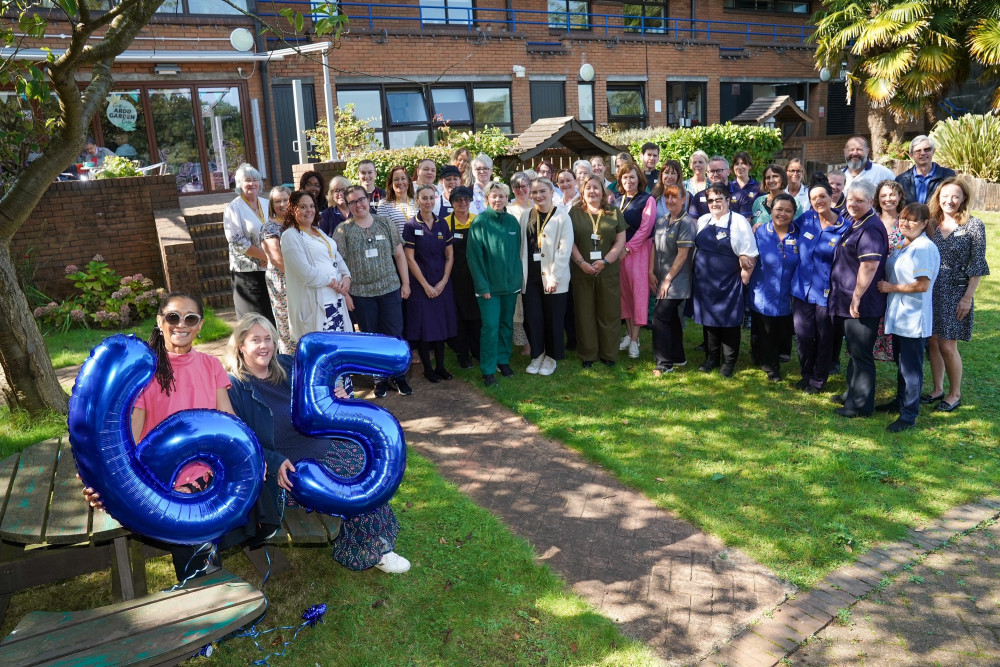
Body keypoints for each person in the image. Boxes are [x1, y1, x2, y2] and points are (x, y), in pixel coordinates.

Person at [84, 292, 278, 582]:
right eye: (173, 317)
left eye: (191, 318)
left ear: (199, 326)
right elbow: (132, 439)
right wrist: (108, 486)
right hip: (167, 483)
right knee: (197, 549)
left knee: (252, 498)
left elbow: (228, 419)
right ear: (160, 321)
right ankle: (204, 589)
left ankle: (211, 573)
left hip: (211, 472)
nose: (181, 324)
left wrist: (253, 456)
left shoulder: (210, 366)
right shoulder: (144, 373)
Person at [225, 313, 409, 573]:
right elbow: (239, 443)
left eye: (268, 338)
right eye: (256, 340)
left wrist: (337, 399)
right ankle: (371, 549)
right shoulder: (234, 388)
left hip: (320, 445)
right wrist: (273, 462)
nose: (264, 346)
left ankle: (375, 538)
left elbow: (321, 399)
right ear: (241, 345)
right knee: (348, 479)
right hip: (288, 467)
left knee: (364, 464)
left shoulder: (288, 366)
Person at [334, 185, 413, 398]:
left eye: (361, 199)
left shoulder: (384, 223)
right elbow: (338, 265)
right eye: (352, 202)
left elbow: (399, 255)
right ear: (347, 205)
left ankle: (398, 376)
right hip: (361, 294)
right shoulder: (343, 230)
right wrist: (347, 295)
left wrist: (405, 284)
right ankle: (379, 379)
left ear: (368, 199)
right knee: (371, 336)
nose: (358, 205)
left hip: (389, 288)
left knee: (394, 334)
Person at [925, 176, 990, 412]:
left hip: (956, 291)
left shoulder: (974, 225)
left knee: (947, 344)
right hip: (930, 289)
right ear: (938, 198)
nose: (949, 200)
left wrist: (967, 297)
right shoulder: (931, 223)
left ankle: (955, 393)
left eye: (955, 196)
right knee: (932, 340)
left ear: (963, 198)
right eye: (945, 196)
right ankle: (937, 389)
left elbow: (978, 265)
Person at [875, 204, 941, 432]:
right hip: (899, 315)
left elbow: (923, 285)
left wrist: (891, 287)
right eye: (903, 219)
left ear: (924, 224)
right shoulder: (905, 244)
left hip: (913, 318)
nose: (905, 223)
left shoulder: (924, 248)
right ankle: (900, 402)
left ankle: (909, 415)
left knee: (911, 369)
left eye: (912, 220)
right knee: (902, 365)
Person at [829, 180, 889, 418]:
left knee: (862, 354)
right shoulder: (857, 222)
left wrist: (856, 298)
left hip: (863, 303)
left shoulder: (871, 228)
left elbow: (869, 266)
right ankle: (850, 394)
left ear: (871, 202)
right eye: (851, 199)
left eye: (859, 201)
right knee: (854, 349)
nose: (852, 204)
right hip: (850, 299)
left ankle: (861, 405)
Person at [692, 183, 758, 377]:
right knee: (709, 321)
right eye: (711, 200)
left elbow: (750, 255)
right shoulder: (703, 220)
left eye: (719, 199)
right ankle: (711, 358)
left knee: (729, 323)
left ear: (728, 200)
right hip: (705, 281)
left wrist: (744, 281)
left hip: (729, 281)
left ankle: (729, 362)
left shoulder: (738, 222)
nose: (714, 204)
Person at [791, 176, 848, 393]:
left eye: (822, 196)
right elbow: (785, 232)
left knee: (825, 337)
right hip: (801, 289)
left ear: (831, 196)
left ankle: (818, 379)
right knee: (803, 335)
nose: (818, 201)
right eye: (813, 198)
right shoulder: (806, 219)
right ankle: (806, 374)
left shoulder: (845, 227)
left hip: (827, 293)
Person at [467, 182, 523, 386]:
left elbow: (518, 254)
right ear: (487, 199)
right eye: (494, 196)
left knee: (506, 325)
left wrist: (517, 281)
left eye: (502, 196)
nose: (498, 200)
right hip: (488, 289)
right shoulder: (480, 222)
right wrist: (483, 287)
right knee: (490, 327)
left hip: (510, 287)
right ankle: (488, 369)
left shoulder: (512, 222)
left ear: (507, 198)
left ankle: (503, 360)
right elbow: (474, 258)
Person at [279, 190, 353, 346]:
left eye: (312, 206)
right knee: (323, 350)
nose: (309, 210)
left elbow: (335, 255)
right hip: (318, 304)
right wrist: (333, 282)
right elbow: (305, 272)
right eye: (303, 206)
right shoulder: (290, 236)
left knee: (339, 347)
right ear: (293, 209)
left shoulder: (317, 231)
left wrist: (346, 276)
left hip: (335, 300)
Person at [569, 175, 627, 367]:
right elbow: (570, 241)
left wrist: (605, 261)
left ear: (602, 191)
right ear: (582, 192)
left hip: (608, 270)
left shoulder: (613, 212)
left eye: (596, 187)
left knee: (609, 312)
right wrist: (580, 262)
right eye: (588, 188)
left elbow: (620, 241)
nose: (592, 191)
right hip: (582, 271)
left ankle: (608, 354)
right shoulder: (574, 213)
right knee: (585, 312)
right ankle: (588, 355)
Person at [403, 184, 457, 383]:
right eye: (424, 198)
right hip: (421, 285)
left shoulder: (443, 223)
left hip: (442, 283)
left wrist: (443, 281)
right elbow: (410, 259)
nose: (428, 202)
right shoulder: (411, 226)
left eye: (431, 198)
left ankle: (441, 366)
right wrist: (425, 285)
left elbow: (450, 255)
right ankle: (428, 369)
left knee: (441, 326)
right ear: (417, 200)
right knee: (425, 328)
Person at [521, 177, 573, 376]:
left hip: (553, 278)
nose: (538, 196)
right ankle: (537, 355)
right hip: (531, 277)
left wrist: (554, 277)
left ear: (552, 192)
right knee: (533, 317)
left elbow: (564, 250)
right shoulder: (526, 215)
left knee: (553, 318)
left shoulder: (562, 217)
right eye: (534, 192)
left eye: (542, 191)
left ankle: (552, 357)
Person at [749, 194, 800, 381]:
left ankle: (771, 356)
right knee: (765, 329)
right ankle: (771, 367)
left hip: (789, 292)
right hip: (764, 290)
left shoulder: (799, 233)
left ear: (794, 213)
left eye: (788, 210)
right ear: (771, 210)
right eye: (779, 209)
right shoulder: (759, 232)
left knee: (783, 330)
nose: (783, 214)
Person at [648, 184, 695, 375]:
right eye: (667, 197)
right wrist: (650, 272)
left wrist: (667, 280)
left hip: (676, 279)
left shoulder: (687, 222)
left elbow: (682, 255)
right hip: (660, 277)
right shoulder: (661, 220)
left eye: (675, 197)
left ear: (684, 200)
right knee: (672, 318)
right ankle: (678, 356)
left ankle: (664, 363)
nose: (670, 201)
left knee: (659, 317)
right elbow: (653, 247)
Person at [223, 163, 275, 324]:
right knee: (253, 320)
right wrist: (267, 256)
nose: (252, 184)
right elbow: (237, 241)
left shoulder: (267, 203)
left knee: (272, 317)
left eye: (255, 180)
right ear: (239, 183)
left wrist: (274, 258)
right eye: (247, 180)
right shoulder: (233, 208)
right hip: (247, 274)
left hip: (271, 271)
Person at [616, 161, 656, 359]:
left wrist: (628, 248)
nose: (628, 180)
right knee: (626, 296)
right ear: (620, 180)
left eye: (632, 177)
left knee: (638, 296)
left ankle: (634, 342)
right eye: (625, 177)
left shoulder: (647, 200)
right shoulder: (618, 200)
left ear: (639, 178)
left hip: (638, 253)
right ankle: (631, 335)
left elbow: (646, 229)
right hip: (620, 255)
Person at [871, 179, 908, 362]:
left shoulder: (906, 221)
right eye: (883, 195)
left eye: (892, 194)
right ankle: (875, 347)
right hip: (873, 277)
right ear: (878, 198)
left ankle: (892, 348)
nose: (888, 199)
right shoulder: (871, 220)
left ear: (900, 196)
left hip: (897, 280)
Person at [444, 186, 480, 369]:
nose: (463, 203)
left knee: (476, 316)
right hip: (454, 277)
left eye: (466, 199)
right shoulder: (444, 223)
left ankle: (478, 350)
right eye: (458, 200)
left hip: (475, 276)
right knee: (458, 316)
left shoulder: (478, 220)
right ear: (452, 203)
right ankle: (462, 353)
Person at [261, 185, 294, 354]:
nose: (282, 204)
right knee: (288, 331)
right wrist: (299, 279)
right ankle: (289, 372)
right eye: (277, 201)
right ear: (272, 206)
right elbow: (276, 259)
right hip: (283, 284)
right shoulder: (269, 228)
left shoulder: (298, 223)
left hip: (303, 283)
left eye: (285, 200)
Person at [506, 171, 534, 355]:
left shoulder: (538, 207)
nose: (521, 190)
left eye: (524, 186)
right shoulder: (508, 210)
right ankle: (524, 343)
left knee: (533, 303)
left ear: (530, 187)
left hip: (535, 261)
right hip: (515, 262)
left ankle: (538, 339)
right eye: (517, 187)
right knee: (518, 305)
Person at [895, 135, 955, 205]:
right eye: (918, 151)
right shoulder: (901, 180)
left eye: (927, 149)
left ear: (933, 151)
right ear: (911, 155)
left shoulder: (947, 176)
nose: (923, 153)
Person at [751, 164, 801, 230]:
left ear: (783, 178)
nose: (771, 180)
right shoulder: (758, 202)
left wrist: (766, 228)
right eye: (768, 177)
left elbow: (797, 228)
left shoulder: (794, 203)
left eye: (775, 176)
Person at [377, 165, 417, 235]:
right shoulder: (384, 204)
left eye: (403, 178)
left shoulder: (417, 202)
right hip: (396, 245)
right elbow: (382, 231)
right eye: (396, 179)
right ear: (391, 184)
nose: (400, 182)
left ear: (408, 182)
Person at [729, 151, 760, 216]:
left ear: (750, 166)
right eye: (736, 164)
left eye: (743, 163)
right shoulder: (728, 187)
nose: (739, 167)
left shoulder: (758, 187)